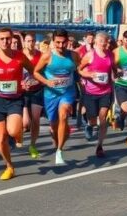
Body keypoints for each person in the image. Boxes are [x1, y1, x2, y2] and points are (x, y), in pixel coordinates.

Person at [0, 27, 34, 180]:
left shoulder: (19, 57)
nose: (5, 41)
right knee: (2, 138)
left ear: (12, 40)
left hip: (15, 100)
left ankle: (17, 134)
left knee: (12, 131)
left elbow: (33, 71)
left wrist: (28, 81)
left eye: (8, 39)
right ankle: (9, 167)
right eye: (2, 39)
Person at [33, 29, 79, 166]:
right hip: (51, 94)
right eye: (58, 42)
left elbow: (80, 68)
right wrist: (47, 82)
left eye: (63, 42)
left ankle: (59, 151)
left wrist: (86, 74)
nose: (61, 46)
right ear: (53, 42)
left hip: (68, 92)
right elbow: (35, 72)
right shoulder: (47, 56)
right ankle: (58, 136)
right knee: (54, 125)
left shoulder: (74, 56)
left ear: (68, 42)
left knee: (64, 115)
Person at [78, 31, 114, 158]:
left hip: (106, 91)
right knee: (93, 119)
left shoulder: (110, 54)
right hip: (91, 92)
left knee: (103, 117)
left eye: (107, 43)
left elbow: (113, 68)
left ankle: (100, 146)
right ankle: (89, 125)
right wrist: (88, 75)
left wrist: (117, 72)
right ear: (96, 43)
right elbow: (79, 69)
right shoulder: (90, 55)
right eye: (103, 44)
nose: (105, 46)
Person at [21, 32, 44, 159]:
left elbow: (44, 74)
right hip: (23, 91)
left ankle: (32, 145)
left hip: (37, 90)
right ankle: (15, 137)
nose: (30, 43)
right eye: (28, 41)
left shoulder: (40, 56)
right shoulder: (19, 56)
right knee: (25, 123)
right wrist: (21, 83)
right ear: (24, 42)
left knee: (35, 120)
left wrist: (37, 81)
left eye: (33, 41)